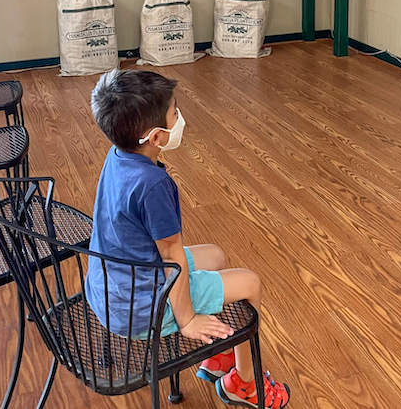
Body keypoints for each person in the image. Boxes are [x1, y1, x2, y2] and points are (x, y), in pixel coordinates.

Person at [85, 68, 291, 408]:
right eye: (175, 113)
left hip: (113, 287)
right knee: (250, 282)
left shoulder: (117, 156)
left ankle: (220, 355)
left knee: (216, 255)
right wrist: (187, 319)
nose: (180, 118)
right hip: (143, 306)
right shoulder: (152, 185)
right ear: (156, 137)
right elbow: (171, 257)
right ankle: (244, 385)